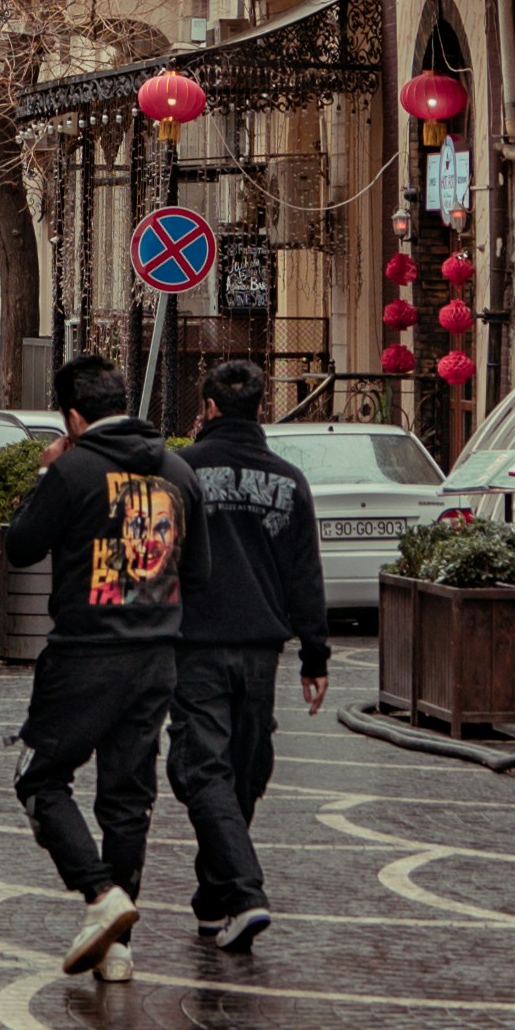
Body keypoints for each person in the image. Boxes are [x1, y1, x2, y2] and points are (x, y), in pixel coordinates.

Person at [0, 348, 211, 974]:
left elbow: (21, 546)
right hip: (156, 658)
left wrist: (47, 477)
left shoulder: (73, 471)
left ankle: (100, 893)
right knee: (126, 799)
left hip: (84, 655)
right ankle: (117, 949)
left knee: (39, 778)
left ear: (72, 417)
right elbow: (197, 572)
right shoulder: (178, 471)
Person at [165, 353, 331, 960]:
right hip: (263, 650)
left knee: (204, 766)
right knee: (245, 767)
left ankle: (235, 892)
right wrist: (315, 655)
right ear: (260, 408)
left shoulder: (179, 472)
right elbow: (305, 574)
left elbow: (156, 561)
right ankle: (221, 897)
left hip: (195, 644)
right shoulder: (289, 481)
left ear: (208, 409)